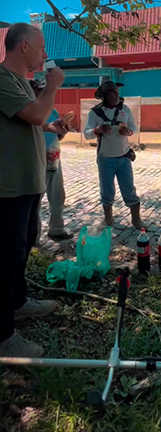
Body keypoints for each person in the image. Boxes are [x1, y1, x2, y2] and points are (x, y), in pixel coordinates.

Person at [0, 22, 68, 357]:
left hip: (27, 184)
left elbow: (31, 122)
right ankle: (3, 336)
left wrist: (51, 125)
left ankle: (17, 303)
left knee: (23, 246)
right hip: (7, 188)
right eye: (42, 48)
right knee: (5, 256)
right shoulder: (1, 78)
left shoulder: (19, 83)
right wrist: (53, 86)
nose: (45, 55)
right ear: (24, 45)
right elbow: (37, 114)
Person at [83, 80, 143, 228]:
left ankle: (136, 219)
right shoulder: (94, 113)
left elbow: (133, 127)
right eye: (112, 92)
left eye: (117, 91)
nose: (116, 95)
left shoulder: (125, 109)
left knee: (129, 189)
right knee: (107, 190)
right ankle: (108, 218)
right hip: (105, 159)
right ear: (104, 95)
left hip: (124, 157)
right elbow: (86, 134)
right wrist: (97, 130)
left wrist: (128, 131)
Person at [38, 84, 72, 242]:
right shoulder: (28, 113)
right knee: (35, 201)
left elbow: (57, 137)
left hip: (54, 159)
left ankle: (57, 229)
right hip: (36, 161)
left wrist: (62, 133)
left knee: (58, 196)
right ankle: (33, 237)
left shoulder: (53, 112)